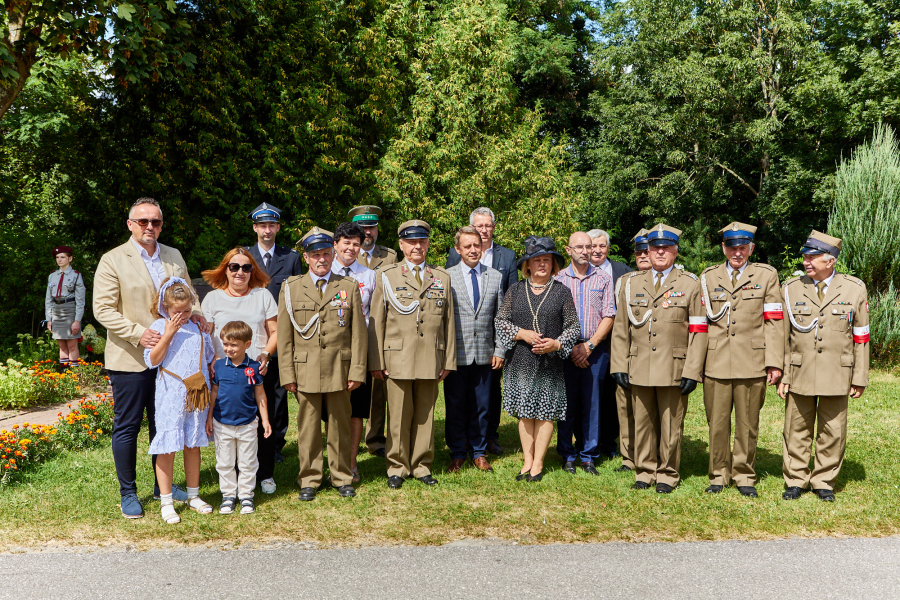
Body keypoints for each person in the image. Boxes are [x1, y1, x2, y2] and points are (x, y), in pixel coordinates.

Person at [93, 198, 207, 519]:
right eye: (142, 221)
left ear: (161, 225)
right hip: (131, 357)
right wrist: (137, 333)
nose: (149, 227)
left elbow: (189, 296)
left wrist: (196, 314)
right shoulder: (113, 259)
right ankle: (128, 493)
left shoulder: (173, 255)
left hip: (172, 363)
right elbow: (102, 309)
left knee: (166, 424)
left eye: (155, 222)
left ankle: (163, 489)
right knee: (128, 426)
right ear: (130, 224)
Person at [610, 224, 707, 494]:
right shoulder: (630, 284)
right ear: (648, 251)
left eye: (666, 248)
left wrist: (692, 370)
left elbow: (698, 330)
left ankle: (667, 473)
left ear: (675, 251)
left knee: (671, 424)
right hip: (638, 364)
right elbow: (621, 328)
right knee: (641, 422)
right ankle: (644, 470)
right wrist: (618, 364)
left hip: (674, 367)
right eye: (655, 248)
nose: (660, 252)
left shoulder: (689, 284)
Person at [777, 230, 869, 502]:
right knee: (796, 427)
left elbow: (861, 336)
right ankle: (795, 479)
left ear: (831, 260)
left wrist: (859, 376)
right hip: (800, 368)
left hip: (837, 371)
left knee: (832, 429)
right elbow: (783, 336)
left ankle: (823, 481)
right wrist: (783, 372)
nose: (807, 261)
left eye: (813, 256)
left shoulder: (854, 288)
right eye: (805, 256)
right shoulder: (791, 288)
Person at [278, 227, 368, 501]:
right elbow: (284, 336)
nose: (322, 259)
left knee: (339, 426)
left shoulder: (348, 286)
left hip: (340, 369)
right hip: (304, 369)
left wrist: (357, 370)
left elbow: (358, 334)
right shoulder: (291, 288)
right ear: (306, 257)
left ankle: (341, 476)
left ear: (333, 254)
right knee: (308, 428)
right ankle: (309, 478)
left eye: (326, 254)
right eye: (316, 255)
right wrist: (287, 374)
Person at [369, 220, 456, 489]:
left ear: (428, 244)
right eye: (411, 242)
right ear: (401, 245)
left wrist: (449, 360)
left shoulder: (441, 277)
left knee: (424, 416)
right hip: (397, 358)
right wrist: (376, 361)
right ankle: (397, 467)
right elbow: (376, 321)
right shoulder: (386, 275)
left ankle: (421, 466)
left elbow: (449, 323)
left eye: (422, 241)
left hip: (431, 356)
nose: (417, 246)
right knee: (398, 416)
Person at [699, 223, 783, 498]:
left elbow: (774, 322)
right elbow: (701, 324)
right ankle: (718, 475)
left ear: (751, 248)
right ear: (724, 248)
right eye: (732, 247)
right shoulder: (708, 277)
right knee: (717, 423)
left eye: (743, 247)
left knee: (748, 424)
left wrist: (774, 362)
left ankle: (744, 475)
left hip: (752, 360)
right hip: (716, 361)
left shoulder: (767, 275)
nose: (737, 252)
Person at [495, 236, 580, 482]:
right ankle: (527, 461)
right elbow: (500, 321)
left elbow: (574, 326)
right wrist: (521, 334)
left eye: (547, 260)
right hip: (520, 360)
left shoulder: (562, 292)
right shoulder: (516, 290)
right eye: (537, 260)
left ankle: (539, 463)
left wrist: (556, 343)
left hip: (549, 362)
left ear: (553, 264)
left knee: (544, 413)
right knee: (525, 413)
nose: (542, 264)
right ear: (528, 265)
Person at [201, 247, 279, 494]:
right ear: (225, 269)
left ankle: (264, 474)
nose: (240, 272)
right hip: (222, 373)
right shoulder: (213, 298)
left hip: (258, 370)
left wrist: (266, 353)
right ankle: (230, 479)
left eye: (246, 267)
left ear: (252, 271)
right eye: (234, 267)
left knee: (261, 421)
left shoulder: (263, 295)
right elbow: (205, 334)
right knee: (227, 423)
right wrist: (213, 357)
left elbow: (275, 331)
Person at [144, 277, 215, 523]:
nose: (183, 315)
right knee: (168, 445)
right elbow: (153, 360)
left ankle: (194, 495)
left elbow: (207, 357)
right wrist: (169, 333)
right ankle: (166, 501)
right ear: (165, 307)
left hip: (195, 392)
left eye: (187, 310)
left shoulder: (197, 325)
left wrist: (199, 322)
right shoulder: (159, 326)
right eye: (177, 311)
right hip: (171, 393)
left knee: (192, 443)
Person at [446, 207, 517, 455]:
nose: (474, 250)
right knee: (455, 404)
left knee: (483, 406)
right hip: (457, 352)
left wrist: (500, 349)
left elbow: (501, 316)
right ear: (458, 250)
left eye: (477, 245)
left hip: (486, 352)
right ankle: (457, 451)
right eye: (468, 246)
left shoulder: (495, 276)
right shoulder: (446, 277)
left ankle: (479, 451)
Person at [245, 202, 303, 466]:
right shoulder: (243, 258)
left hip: (281, 336)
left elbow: (299, 295)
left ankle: (276, 442)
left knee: (278, 392)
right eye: (262, 225)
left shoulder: (291, 258)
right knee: (249, 388)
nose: (267, 230)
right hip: (251, 335)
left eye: (272, 225)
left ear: (278, 227)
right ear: (255, 227)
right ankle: (249, 438)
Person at [554, 232, 615, 475]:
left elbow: (609, 315)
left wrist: (589, 345)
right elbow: (552, 318)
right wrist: (568, 347)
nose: (584, 250)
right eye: (578, 246)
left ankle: (588, 455)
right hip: (564, 350)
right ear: (568, 250)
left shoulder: (603, 279)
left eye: (588, 246)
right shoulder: (557, 279)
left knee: (592, 404)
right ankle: (567, 454)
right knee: (566, 403)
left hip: (594, 350)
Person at [206, 321, 272, 515]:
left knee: (248, 462)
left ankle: (246, 496)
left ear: (247, 344)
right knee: (224, 461)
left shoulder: (254, 367)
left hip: (248, 423)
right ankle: (228, 496)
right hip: (222, 422)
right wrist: (209, 418)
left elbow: (260, 395)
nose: (229, 349)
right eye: (226, 344)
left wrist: (265, 421)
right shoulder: (218, 366)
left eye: (234, 345)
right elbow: (214, 393)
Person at [329, 222, 376, 483]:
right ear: (335, 245)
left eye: (356, 244)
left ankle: (351, 462)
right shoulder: (323, 272)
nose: (351, 248)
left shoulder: (369, 276)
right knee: (332, 411)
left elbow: (374, 315)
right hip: (331, 352)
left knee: (357, 410)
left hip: (359, 351)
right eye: (346, 243)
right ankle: (334, 461)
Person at [353, 204, 400, 459]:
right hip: (354, 329)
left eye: (371, 226)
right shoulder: (347, 255)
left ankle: (375, 437)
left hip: (381, 330)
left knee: (379, 386)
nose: (367, 232)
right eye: (362, 227)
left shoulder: (390, 256)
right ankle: (352, 436)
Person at [586, 228, 633, 459]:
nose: (597, 250)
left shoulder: (625, 273)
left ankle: (610, 444)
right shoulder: (574, 271)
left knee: (614, 395)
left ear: (608, 248)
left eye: (602, 245)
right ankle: (584, 442)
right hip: (585, 346)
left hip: (617, 345)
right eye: (592, 245)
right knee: (588, 395)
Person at [612, 229, 651, 473]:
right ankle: (629, 457)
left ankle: (653, 454)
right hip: (629, 354)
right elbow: (619, 324)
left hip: (659, 357)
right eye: (639, 251)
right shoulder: (624, 282)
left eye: (647, 250)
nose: (643, 255)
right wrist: (619, 362)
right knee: (625, 408)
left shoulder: (678, 281)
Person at [44, 245, 87, 370]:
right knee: (62, 346)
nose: (59, 260)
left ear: (70, 258)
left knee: (72, 346)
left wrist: (77, 320)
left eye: (62, 257)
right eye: (57, 257)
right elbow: (48, 299)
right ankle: (65, 375)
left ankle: (76, 375)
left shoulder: (76, 275)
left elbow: (80, 301)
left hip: (70, 311)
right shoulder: (52, 276)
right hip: (56, 312)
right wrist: (49, 319)